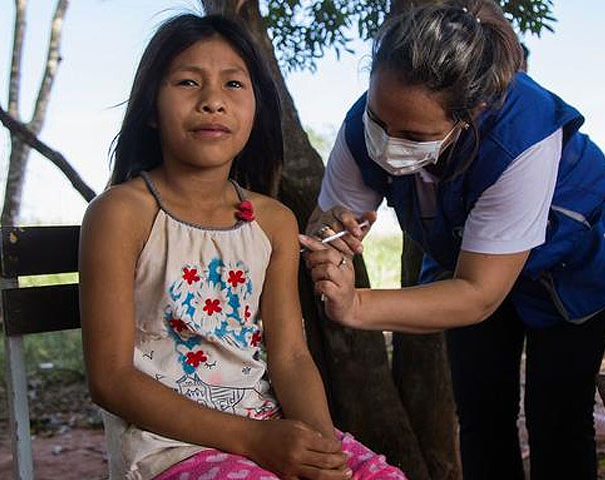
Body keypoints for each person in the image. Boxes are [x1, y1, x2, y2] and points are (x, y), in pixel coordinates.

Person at [298, 1, 605, 479]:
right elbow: (327, 222)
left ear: (472, 113)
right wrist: (329, 243)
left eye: (412, 134)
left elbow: (477, 294)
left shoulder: (521, 136)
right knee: (480, 410)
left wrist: (355, 305)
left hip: (570, 267)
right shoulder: (368, 123)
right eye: (379, 120)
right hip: (463, 260)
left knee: (556, 415)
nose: (387, 142)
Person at [79, 13, 407, 480]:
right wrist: (256, 441)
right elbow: (110, 379)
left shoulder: (272, 222)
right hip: (168, 450)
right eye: (188, 82)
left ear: (256, 107)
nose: (213, 101)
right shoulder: (122, 214)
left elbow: (291, 357)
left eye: (234, 85)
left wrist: (321, 449)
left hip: (270, 432)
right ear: (151, 108)